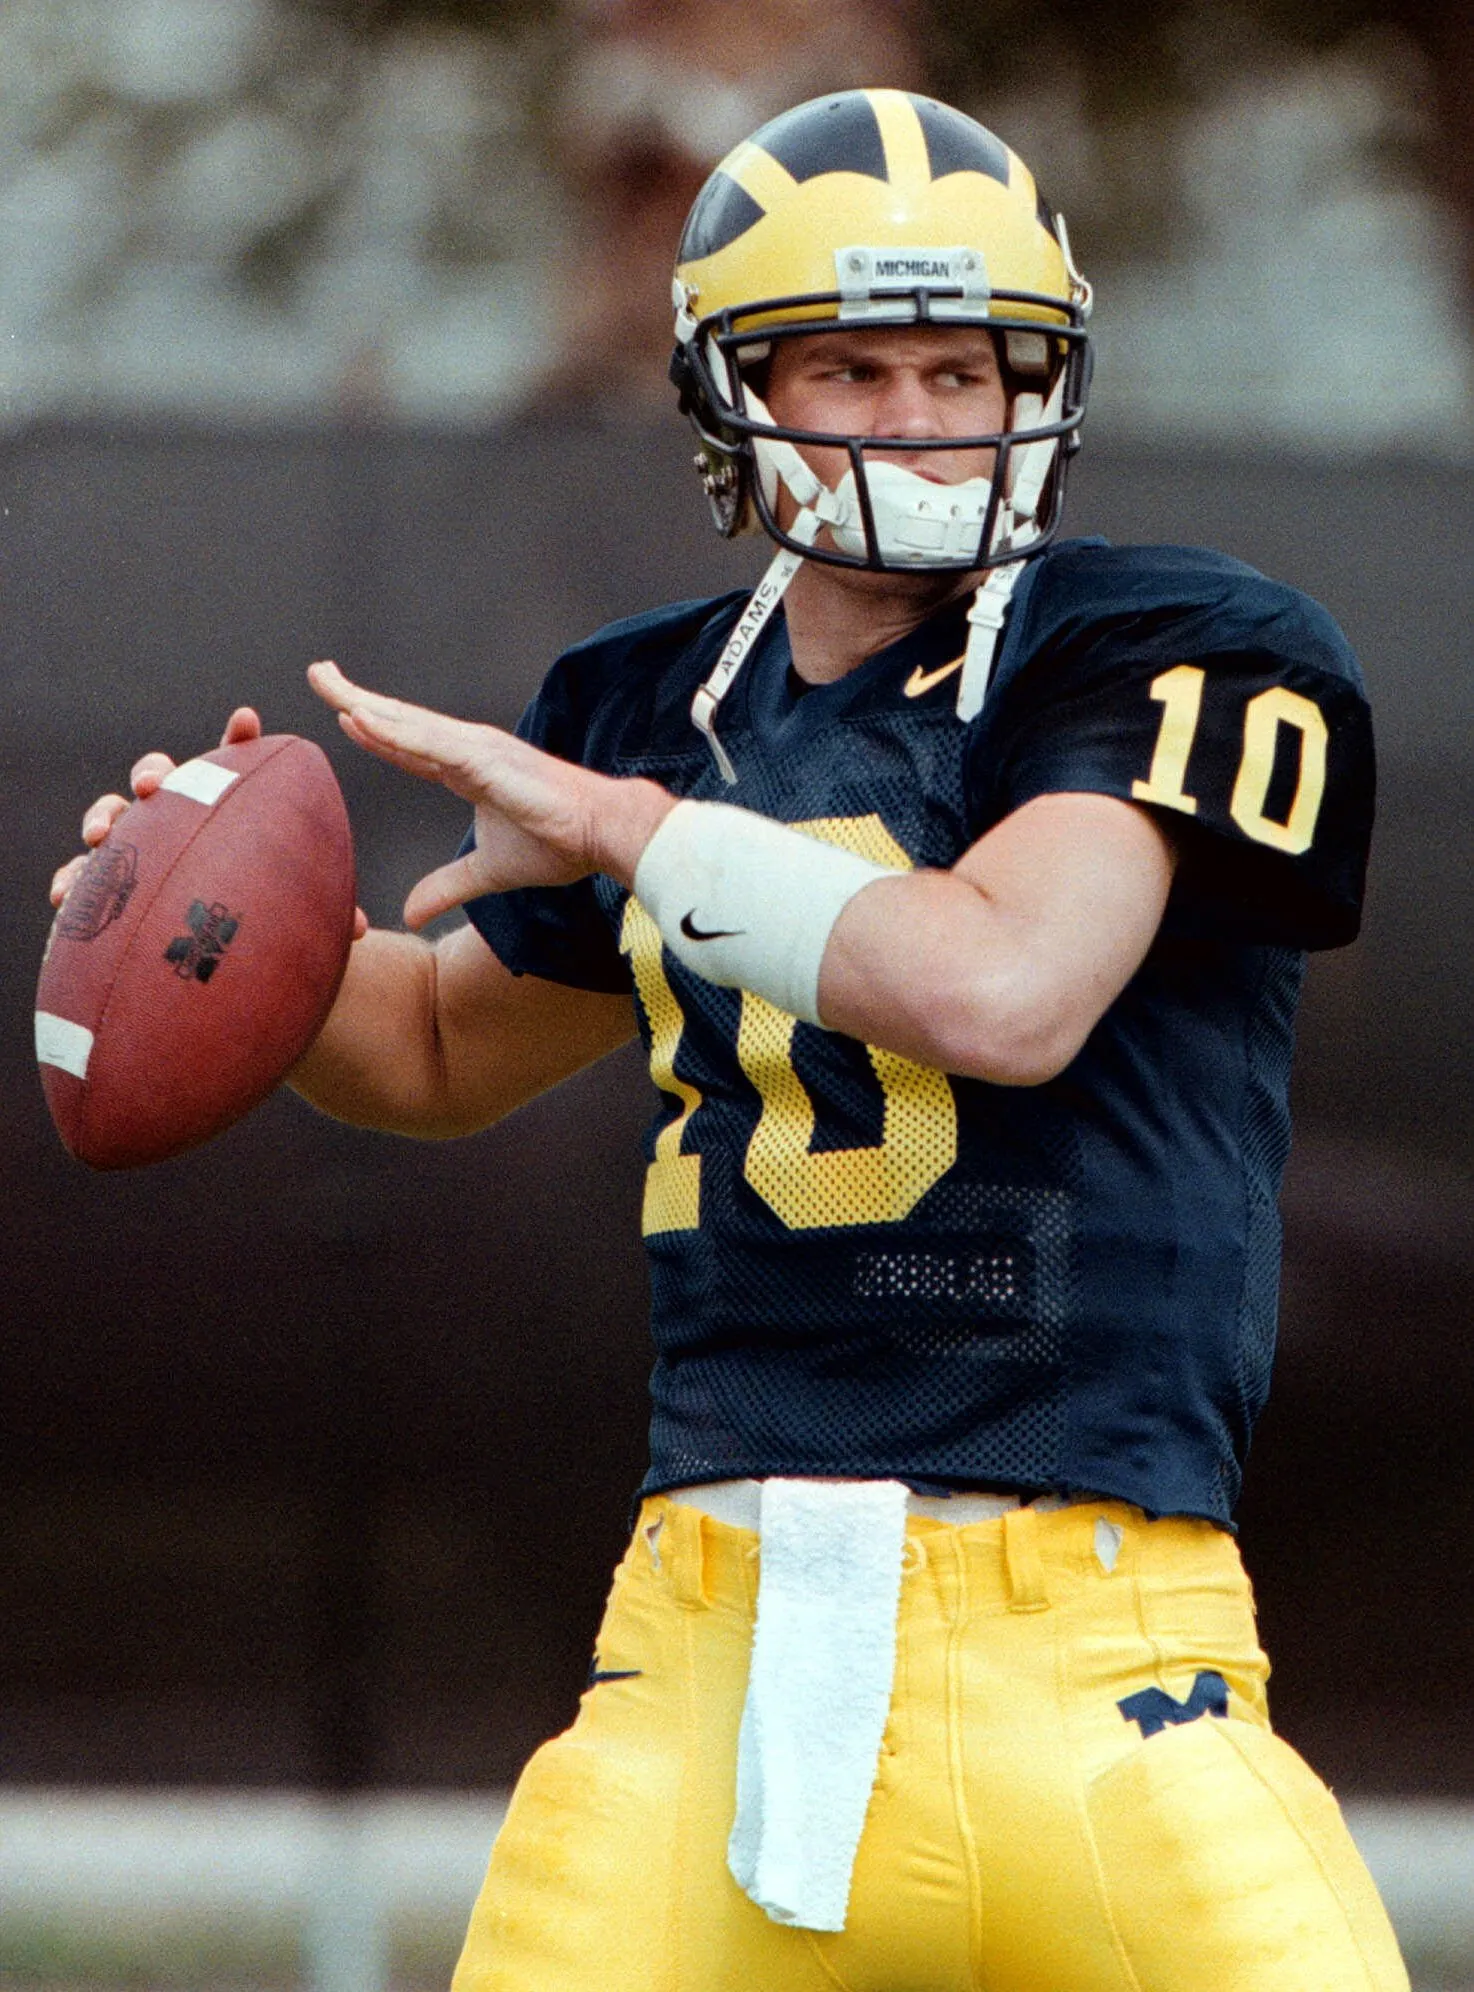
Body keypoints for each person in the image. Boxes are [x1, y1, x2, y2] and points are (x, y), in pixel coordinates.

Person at [56, 88, 1406, 1992]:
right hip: (702, 1657)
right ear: (724, 389)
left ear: (1049, 372)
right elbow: (437, 1053)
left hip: (1099, 1664)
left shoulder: (1176, 644)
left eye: (964, 363)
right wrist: (208, 933)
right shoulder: (647, 697)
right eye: (847, 365)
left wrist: (626, 828)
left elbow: (999, 993)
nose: (917, 416)